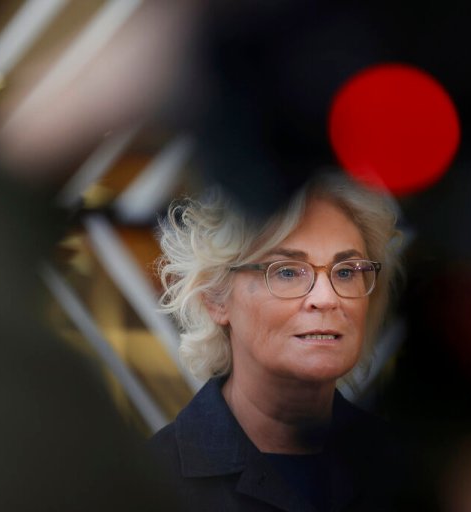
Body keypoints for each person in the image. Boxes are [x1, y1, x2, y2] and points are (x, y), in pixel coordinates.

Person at [150, 173, 403, 512]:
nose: (326, 298)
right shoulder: (149, 485)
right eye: (287, 271)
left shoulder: (409, 471)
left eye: (346, 271)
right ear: (216, 298)